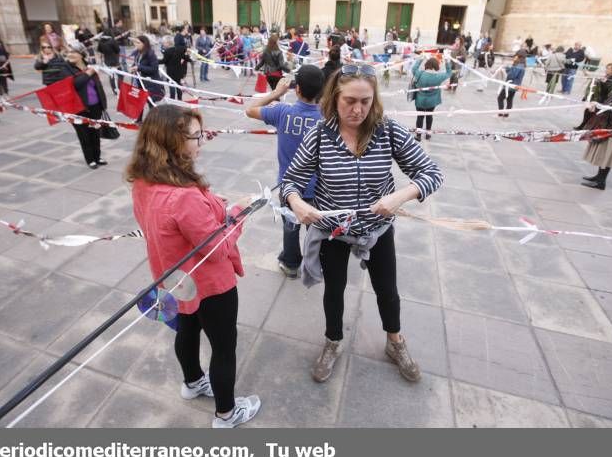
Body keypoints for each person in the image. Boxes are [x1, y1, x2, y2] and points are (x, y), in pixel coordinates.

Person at [281, 64, 444, 383]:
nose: (357, 109)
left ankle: (395, 343)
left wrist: (398, 198)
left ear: (375, 100)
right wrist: (297, 203)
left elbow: (431, 174)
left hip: (377, 228)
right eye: (349, 101)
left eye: (365, 101)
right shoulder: (320, 134)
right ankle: (333, 341)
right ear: (334, 98)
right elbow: (290, 182)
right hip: (334, 232)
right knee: (335, 290)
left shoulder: (388, 130)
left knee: (388, 289)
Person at [127, 105, 262, 428]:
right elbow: (216, 248)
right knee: (223, 345)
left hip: (174, 279)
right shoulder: (182, 195)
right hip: (209, 283)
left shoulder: (144, 182)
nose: (201, 142)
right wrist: (237, 214)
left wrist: (213, 207)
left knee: (187, 329)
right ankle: (227, 414)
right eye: (195, 137)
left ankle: (192, 382)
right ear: (172, 141)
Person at [246, 66, 325, 277]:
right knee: (316, 227)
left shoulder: (282, 112)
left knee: (291, 226)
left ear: (296, 89)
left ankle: (291, 264)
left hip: (289, 186)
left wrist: (276, 93)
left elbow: (250, 109)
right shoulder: (327, 118)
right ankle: (315, 263)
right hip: (319, 186)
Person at [66, 42, 108, 169]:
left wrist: (103, 104)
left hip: (95, 105)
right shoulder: (67, 68)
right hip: (78, 108)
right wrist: (89, 72)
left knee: (95, 132)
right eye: (69, 52)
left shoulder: (90, 66)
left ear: (81, 54)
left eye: (73, 52)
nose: (70, 54)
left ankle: (97, 156)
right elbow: (76, 84)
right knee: (84, 135)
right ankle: (90, 159)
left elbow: (98, 85)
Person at [411, 55, 450, 141]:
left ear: (427, 64)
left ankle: (418, 135)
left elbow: (413, 69)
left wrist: (421, 58)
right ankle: (428, 134)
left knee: (420, 117)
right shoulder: (438, 77)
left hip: (420, 99)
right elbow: (449, 73)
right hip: (432, 101)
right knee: (429, 116)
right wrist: (447, 61)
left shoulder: (420, 74)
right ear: (436, 66)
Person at [574, 63, 612, 130]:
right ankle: (583, 126)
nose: (606, 70)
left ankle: (585, 127)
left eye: (608, 69)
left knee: (591, 114)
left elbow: (609, 93)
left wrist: (602, 83)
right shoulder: (606, 77)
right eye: (606, 68)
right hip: (595, 99)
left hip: (600, 100)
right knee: (587, 112)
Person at [131, 35, 162, 109]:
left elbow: (154, 69)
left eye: (138, 43)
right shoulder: (138, 53)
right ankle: (138, 119)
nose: (136, 45)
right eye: (135, 43)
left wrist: (139, 68)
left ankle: (153, 119)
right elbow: (136, 63)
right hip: (139, 82)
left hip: (149, 83)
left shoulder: (150, 54)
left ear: (144, 43)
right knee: (139, 101)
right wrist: (133, 68)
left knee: (150, 102)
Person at [162, 35, 190, 102]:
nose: (163, 44)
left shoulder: (167, 51)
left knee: (172, 86)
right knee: (178, 85)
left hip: (170, 72)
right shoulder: (179, 50)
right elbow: (186, 58)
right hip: (178, 71)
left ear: (168, 43)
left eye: (164, 43)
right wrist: (188, 56)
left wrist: (155, 61)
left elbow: (164, 61)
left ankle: (172, 99)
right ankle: (180, 99)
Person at [498, 52, 525, 117]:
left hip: (510, 85)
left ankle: (501, 113)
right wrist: (508, 68)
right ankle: (506, 114)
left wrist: (506, 70)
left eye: (515, 56)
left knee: (500, 98)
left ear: (518, 57)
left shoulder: (518, 67)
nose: (514, 58)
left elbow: (512, 76)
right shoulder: (520, 66)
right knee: (509, 99)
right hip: (515, 86)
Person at [97, 30, 122, 94]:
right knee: (119, 74)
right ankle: (118, 88)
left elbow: (99, 50)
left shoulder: (101, 42)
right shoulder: (112, 41)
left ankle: (114, 89)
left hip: (107, 60)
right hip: (114, 60)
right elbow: (118, 50)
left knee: (111, 75)